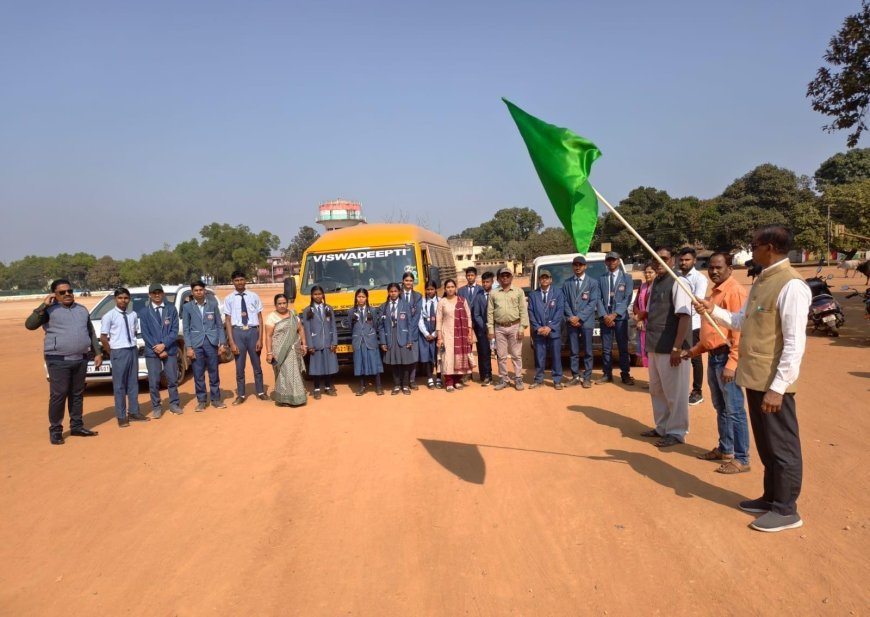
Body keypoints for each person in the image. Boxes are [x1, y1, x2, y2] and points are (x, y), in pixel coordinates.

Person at [695, 225, 811, 532]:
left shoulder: (791, 285)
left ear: (769, 247)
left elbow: (794, 344)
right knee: (767, 444)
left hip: (773, 383)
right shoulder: (762, 280)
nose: (752, 250)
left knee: (782, 447)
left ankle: (786, 510)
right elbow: (739, 321)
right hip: (756, 378)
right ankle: (771, 498)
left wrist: (778, 388)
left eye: (755, 245)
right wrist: (712, 310)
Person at [683, 253, 750, 474]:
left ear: (730, 268)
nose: (714, 271)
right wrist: (693, 351)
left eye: (719, 267)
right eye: (711, 267)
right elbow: (712, 333)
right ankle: (725, 448)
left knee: (735, 410)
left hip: (727, 358)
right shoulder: (714, 293)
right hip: (713, 357)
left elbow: (739, 331)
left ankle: (742, 458)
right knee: (721, 407)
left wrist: (732, 363)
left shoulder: (734, 292)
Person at [25, 278, 102, 444]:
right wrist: (43, 305)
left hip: (80, 359)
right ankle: (55, 430)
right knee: (59, 395)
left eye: (70, 291)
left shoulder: (82, 310)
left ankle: (76, 426)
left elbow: (90, 332)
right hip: (58, 360)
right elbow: (30, 325)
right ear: (54, 294)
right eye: (62, 292)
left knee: (77, 394)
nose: (67, 294)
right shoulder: (48, 311)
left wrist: (97, 352)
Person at [640, 248, 692, 448]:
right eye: (655, 259)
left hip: (671, 347)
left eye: (663, 258)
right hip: (655, 345)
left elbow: (684, 316)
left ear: (673, 260)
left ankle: (677, 431)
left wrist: (677, 348)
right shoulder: (655, 283)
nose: (658, 262)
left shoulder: (679, 282)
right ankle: (662, 427)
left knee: (675, 393)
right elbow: (651, 311)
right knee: (657, 389)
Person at [101, 287, 148, 427]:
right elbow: (103, 337)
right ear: (115, 299)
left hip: (132, 349)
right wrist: (111, 352)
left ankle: (134, 412)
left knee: (133, 383)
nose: (123, 300)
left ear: (129, 299)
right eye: (120, 298)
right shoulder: (109, 315)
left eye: (126, 298)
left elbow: (134, 332)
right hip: (118, 351)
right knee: (119, 385)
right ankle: (121, 416)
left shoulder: (132, 314)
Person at [182, 280, 227, 411]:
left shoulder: (212, 305)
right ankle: (201, 401)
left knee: (214, 371)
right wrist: (189, 347)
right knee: (198, 373)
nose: (198, 292)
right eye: (196, 290)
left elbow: (219, 325)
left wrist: (222, 343)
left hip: (211, 342)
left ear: (205, 291)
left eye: (200, 290)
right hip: (196, 343)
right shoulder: (187, 307)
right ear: (192, 292)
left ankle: (216, 399)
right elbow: (186, 329)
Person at [223, 270, 267, 405]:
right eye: (236, 280)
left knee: (257, 365)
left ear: (245, 280)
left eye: (241, 279)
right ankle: (241, 394)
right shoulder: (229, 299)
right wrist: (231, 342)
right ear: (232, 282)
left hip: (253, 332)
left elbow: (260, 318)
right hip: (238, 332)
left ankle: (260, 392)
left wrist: (260, 339)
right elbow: (228, 321)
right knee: (239, 366)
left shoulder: (254, 296)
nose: (239, 282)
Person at [139, 283, 182, 418]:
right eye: (154, 293)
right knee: (153, 381)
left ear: (163, 294)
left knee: (172, 379)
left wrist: (164, 345)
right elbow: (145, 333)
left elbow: (174, 330)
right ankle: (156, 407)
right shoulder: (144, 312)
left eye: (159, 292)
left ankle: (174, 404)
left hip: (169, 350)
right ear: (150, 295)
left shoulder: (171, 309)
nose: (157, 295)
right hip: (152, 352)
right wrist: (157, 347)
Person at [597, 252, 635, 386]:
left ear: (618, 261)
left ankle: (625, 374)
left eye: (613, 260)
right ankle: (607, 374)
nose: (611, 262)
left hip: (620, 317)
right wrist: (604, 315)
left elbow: (627, 298)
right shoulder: (601, 278)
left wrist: (615, 314)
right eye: (609, 260)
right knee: (606, 349)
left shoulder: (627, 278)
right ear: (606, 262)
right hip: (605, 318)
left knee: (622, 348)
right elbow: (598, 299)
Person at [487, 267, 528, 391]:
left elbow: (523, 311)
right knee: (501, 356)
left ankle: (518, 378)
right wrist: (490, 330)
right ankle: (504, 379)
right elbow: (490, 312)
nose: (505, 278)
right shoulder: (493, 293)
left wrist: (522, 328)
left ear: (511, 277)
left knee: (516, 355)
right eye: (502, 276)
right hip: (499, 328)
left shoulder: (518, 292)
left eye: (507, 275)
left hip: (515, 326)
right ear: (499, 278)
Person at [561, 255, 599, 388]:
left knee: (588, 351)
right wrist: (571, 317)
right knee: (574, 351)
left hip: (586, 322)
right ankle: (575, 376)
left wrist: (580, 317)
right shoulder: (567, 283)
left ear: (585, 266)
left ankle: (587, 377)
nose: (577, 267)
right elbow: (564, 302)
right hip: (572, 322)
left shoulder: (592, 283)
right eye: (575, 265)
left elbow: (592, 302)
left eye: (580, 265)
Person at [264, 293, 307, 407]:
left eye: (284, 303)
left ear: (287, 304)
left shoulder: (293, 315)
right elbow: (268, 336)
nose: (282, 305)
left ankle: (297, 398)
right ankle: (283, 399)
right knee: (283, 374)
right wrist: (269, 353)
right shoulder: (271, 317)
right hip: (279, 351)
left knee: (295, 373)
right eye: (279, 304)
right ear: (275, 305)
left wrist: (304, 344)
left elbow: (301, 330)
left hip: (294, 349)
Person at [679, 247, 709, 405]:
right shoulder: (677, 277)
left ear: (694, 261)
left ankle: (697, 391)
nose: (684, 262)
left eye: (687, 260)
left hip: (694, 324)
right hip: (678, 324)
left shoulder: (699, 279)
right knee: (680, 356)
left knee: (695, 358)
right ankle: (680, 388)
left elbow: (697, 301)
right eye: (682, 260)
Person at [528, 270, 565, 389]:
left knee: (556, 356)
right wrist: (538, 328)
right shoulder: (533, 294)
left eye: (546, 277)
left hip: (553, 331)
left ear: (551, 280)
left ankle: (557, 380)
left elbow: (560, 311)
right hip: (539, 331)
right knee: (539, 357)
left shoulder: (558, 293)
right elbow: (531, 312)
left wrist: (550, 327)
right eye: (542, 278)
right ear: (539, 280)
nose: (544, 280)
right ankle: (539, 380)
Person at [436, 279, 475, 392]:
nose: (450, 289)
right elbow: (439, 319)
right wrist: (439, 337)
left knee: (460, 356)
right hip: (447, 333)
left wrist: (469, 332)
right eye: (448, 287)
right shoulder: (442, 302)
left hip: (461, 334)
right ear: (445, 289)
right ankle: (449, 382)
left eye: (452, 287)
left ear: (456, 288)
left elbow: (468, 316)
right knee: (447, 357)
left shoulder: (462, 301)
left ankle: (457, 380)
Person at [301, 285, 338, 399]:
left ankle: (328, 387)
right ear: (312, 296)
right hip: (315, 343)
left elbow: (333, 326)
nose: (318, 296)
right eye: (315, 294)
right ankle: (316, 389)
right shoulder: (307, 310)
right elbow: (307, 329)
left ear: (323, 295)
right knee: (316, 367)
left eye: (319, 294)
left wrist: (334, 342)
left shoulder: (328, 308)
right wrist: (310, 345)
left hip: (327, 342)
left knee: (328, 365)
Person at [379, 282, 417, 395]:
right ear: (388, 292)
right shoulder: (383, 307)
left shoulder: (405, 304)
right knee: (394, 362)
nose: (393, 293)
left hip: (403, 337)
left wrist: (410, 340)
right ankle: (396, 385)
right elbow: (381, 326)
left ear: (399, 292)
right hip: (390, 337)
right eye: (391, 291)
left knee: (405, 363)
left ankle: (405, 385)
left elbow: (410, 324)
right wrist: (383, 342)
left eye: (395, 291)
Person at [351, 288, 384, 396]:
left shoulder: (372, 310)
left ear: (366, 298)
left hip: (370, 340)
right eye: (359, 297)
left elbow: (376, 325)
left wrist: (369, 333)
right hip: (358, 341)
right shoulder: (351, 311)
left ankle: (378, 387)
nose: (361, 299)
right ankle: (362, 386)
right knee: (360, 363)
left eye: (363, 297)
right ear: (356, 298)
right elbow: (351, 327)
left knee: (375, 363)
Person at [470, 271, 494, 386]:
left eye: (487, 282)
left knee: (500, 354)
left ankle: (503, 376)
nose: (485, 284)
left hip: (497, 329)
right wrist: (486, 327)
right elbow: (476, 314)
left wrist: (493, 327)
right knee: (484, 353)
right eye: (483, 282)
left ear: (492, 282)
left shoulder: (497, 294)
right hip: (482, 330)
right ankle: (485, 375)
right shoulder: (478, 296)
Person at [400, 272, 423, 389]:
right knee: (403, 356)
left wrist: (410, 329)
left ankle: (412, 380)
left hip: (413, 330)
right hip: (400, 331)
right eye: (406, 280)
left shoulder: (418, 296)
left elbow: (417, 314)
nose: (408, 282)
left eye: (410, 280)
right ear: (403, 281)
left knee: (413, 356)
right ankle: (403, 380)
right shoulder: (397, 295)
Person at [632, 263, 656, 368]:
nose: (647, 274)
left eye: (650, 272)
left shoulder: (658, 287)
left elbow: (654, 307)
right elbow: (635, 305)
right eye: (645, 272)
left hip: (654, 325)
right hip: (642, 324)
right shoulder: (642, 287)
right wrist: (640, 319)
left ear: (656, 273)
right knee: (646, 353)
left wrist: (641, 317)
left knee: (654, 354)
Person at [418, 280, 441, 389]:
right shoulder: (422, 302)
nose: (430, 291)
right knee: (427, 356)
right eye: (428, 289)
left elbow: (442, 319)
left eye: (432, 289)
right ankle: (430, 378)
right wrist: (426, 333)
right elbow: (419, 319)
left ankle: (439, 377)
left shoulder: (440, 301)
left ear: (435, 289)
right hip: (425, 331)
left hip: (437, 329)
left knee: (438, 355)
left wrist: (435, 333)